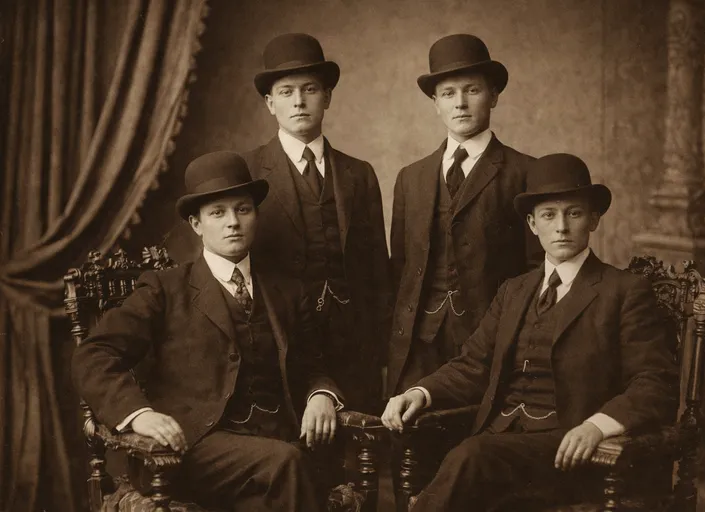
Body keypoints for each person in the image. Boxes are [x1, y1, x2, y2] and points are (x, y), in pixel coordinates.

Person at [382, 153, 679, 511]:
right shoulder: (514, 290)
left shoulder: (624, 291)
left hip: (568, 449)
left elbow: (654, 381)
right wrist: (420, 392)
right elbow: (471, 365)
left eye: (574, 213)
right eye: (548, 215)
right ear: (532, 224)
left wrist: (598, 427)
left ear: (594, 220)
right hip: (500, 444)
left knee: (471, 457)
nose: (562, 227)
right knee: (470, 461)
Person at [72, 151, 342, 512]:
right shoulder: (165, 288)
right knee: (289, 464)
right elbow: (93, 355)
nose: (233, 222)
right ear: (197, 224)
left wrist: (320, 394)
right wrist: (140, 414)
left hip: (274, 446)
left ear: (256, 215)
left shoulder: (286, 290)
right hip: (193, 449)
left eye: (243, 209)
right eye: (218, 213)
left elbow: (312, 366)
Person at [243, 33, 390, 412]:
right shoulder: (249, 171)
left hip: (354, 344)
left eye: (310, 89)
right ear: (269, 103)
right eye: (287, 91)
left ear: (327, 97)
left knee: (361, 458)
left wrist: (381, 348)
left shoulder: (359, 174)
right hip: (285, 339)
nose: (299, 101)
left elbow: (378, 271)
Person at [388, 33, 541, 397]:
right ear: (435, 104)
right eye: (448, 94)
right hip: (418, 345)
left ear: (494, 96)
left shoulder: (525, 173)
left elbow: (537, 271)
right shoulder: (411, 178)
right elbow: (401, 268)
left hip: (489, 344)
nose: (460, 103)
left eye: (471, 90)